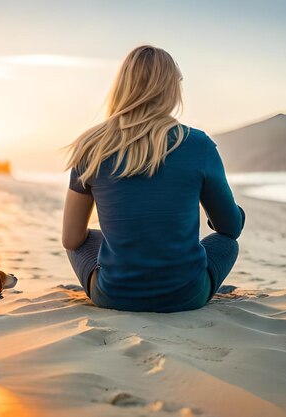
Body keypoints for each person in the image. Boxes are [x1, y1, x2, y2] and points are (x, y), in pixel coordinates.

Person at [62, 45, 245, 313]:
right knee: (227, 244)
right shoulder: (197, 144)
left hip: (112, 296)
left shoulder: (92, 147)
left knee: (89, 239)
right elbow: (229, 228)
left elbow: (71, 238)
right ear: (171, 88)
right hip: (186, 297)